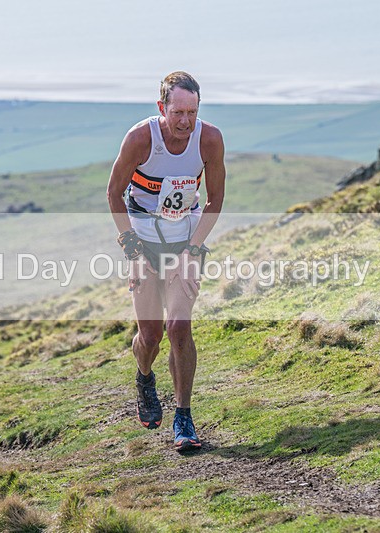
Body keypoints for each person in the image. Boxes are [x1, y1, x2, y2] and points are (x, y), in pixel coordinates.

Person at [106, 71, 226, 452]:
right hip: (142, 245)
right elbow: (113, 193)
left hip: (183, 244)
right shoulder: (141, 139)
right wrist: (132, 251)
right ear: (162, 108)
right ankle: (144, 377)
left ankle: (183, 416)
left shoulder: (209, 140)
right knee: (151, 335)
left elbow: (214, 201)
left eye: (192, 112)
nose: (185, 121)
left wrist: (192, 250)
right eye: (178, 112)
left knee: (178, 326)